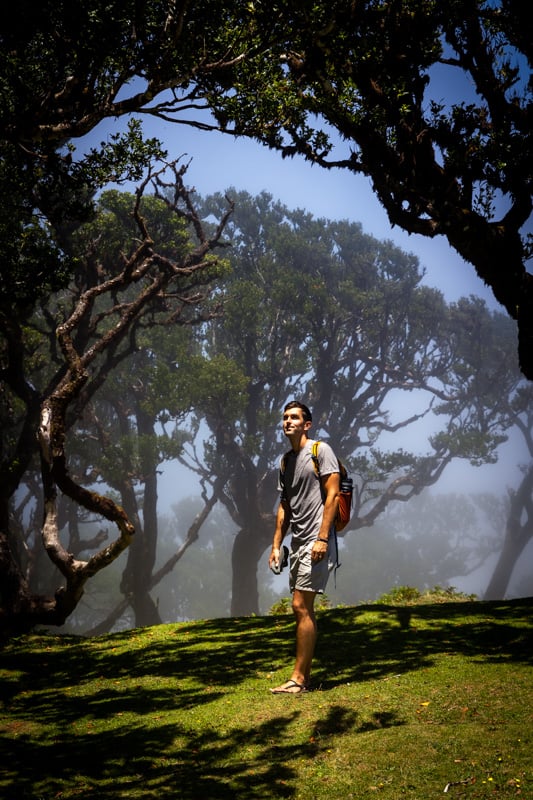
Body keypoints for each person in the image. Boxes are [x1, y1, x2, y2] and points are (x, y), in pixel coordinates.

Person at [269, 400, 340, 694]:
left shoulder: (320, 451)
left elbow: (333, 494)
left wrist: (322, 538)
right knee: (302, 608)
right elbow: (284, 506)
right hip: (297, 543)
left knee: (301, 606)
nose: (288, 422)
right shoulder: (285, 462)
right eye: (285, 417)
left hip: (317, 541)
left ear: (307, 424)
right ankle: (302, 677)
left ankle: (299, 679)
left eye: (294, 417)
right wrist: (276, 545)